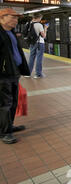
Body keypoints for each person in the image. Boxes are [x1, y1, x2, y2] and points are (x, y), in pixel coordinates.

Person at [0, 8, 30, 144]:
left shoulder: (10, 32)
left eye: (17, 18)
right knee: (4, 104)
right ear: (2, 18)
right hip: (3, 74)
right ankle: (4, 132)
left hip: (14, 72)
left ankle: (9, 125)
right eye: (13, 17)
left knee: (12, 102)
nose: (16, 20)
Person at [28, 13, 48, 78]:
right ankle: (38, 74)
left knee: (31, 57)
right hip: (39, 43)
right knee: (39, 58)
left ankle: (28, 73)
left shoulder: (28, 24)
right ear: (38, 18)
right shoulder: (39, 25)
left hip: (32, 43)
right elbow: (44, 36)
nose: (40, 20)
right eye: (40, 18)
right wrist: (45, 28)